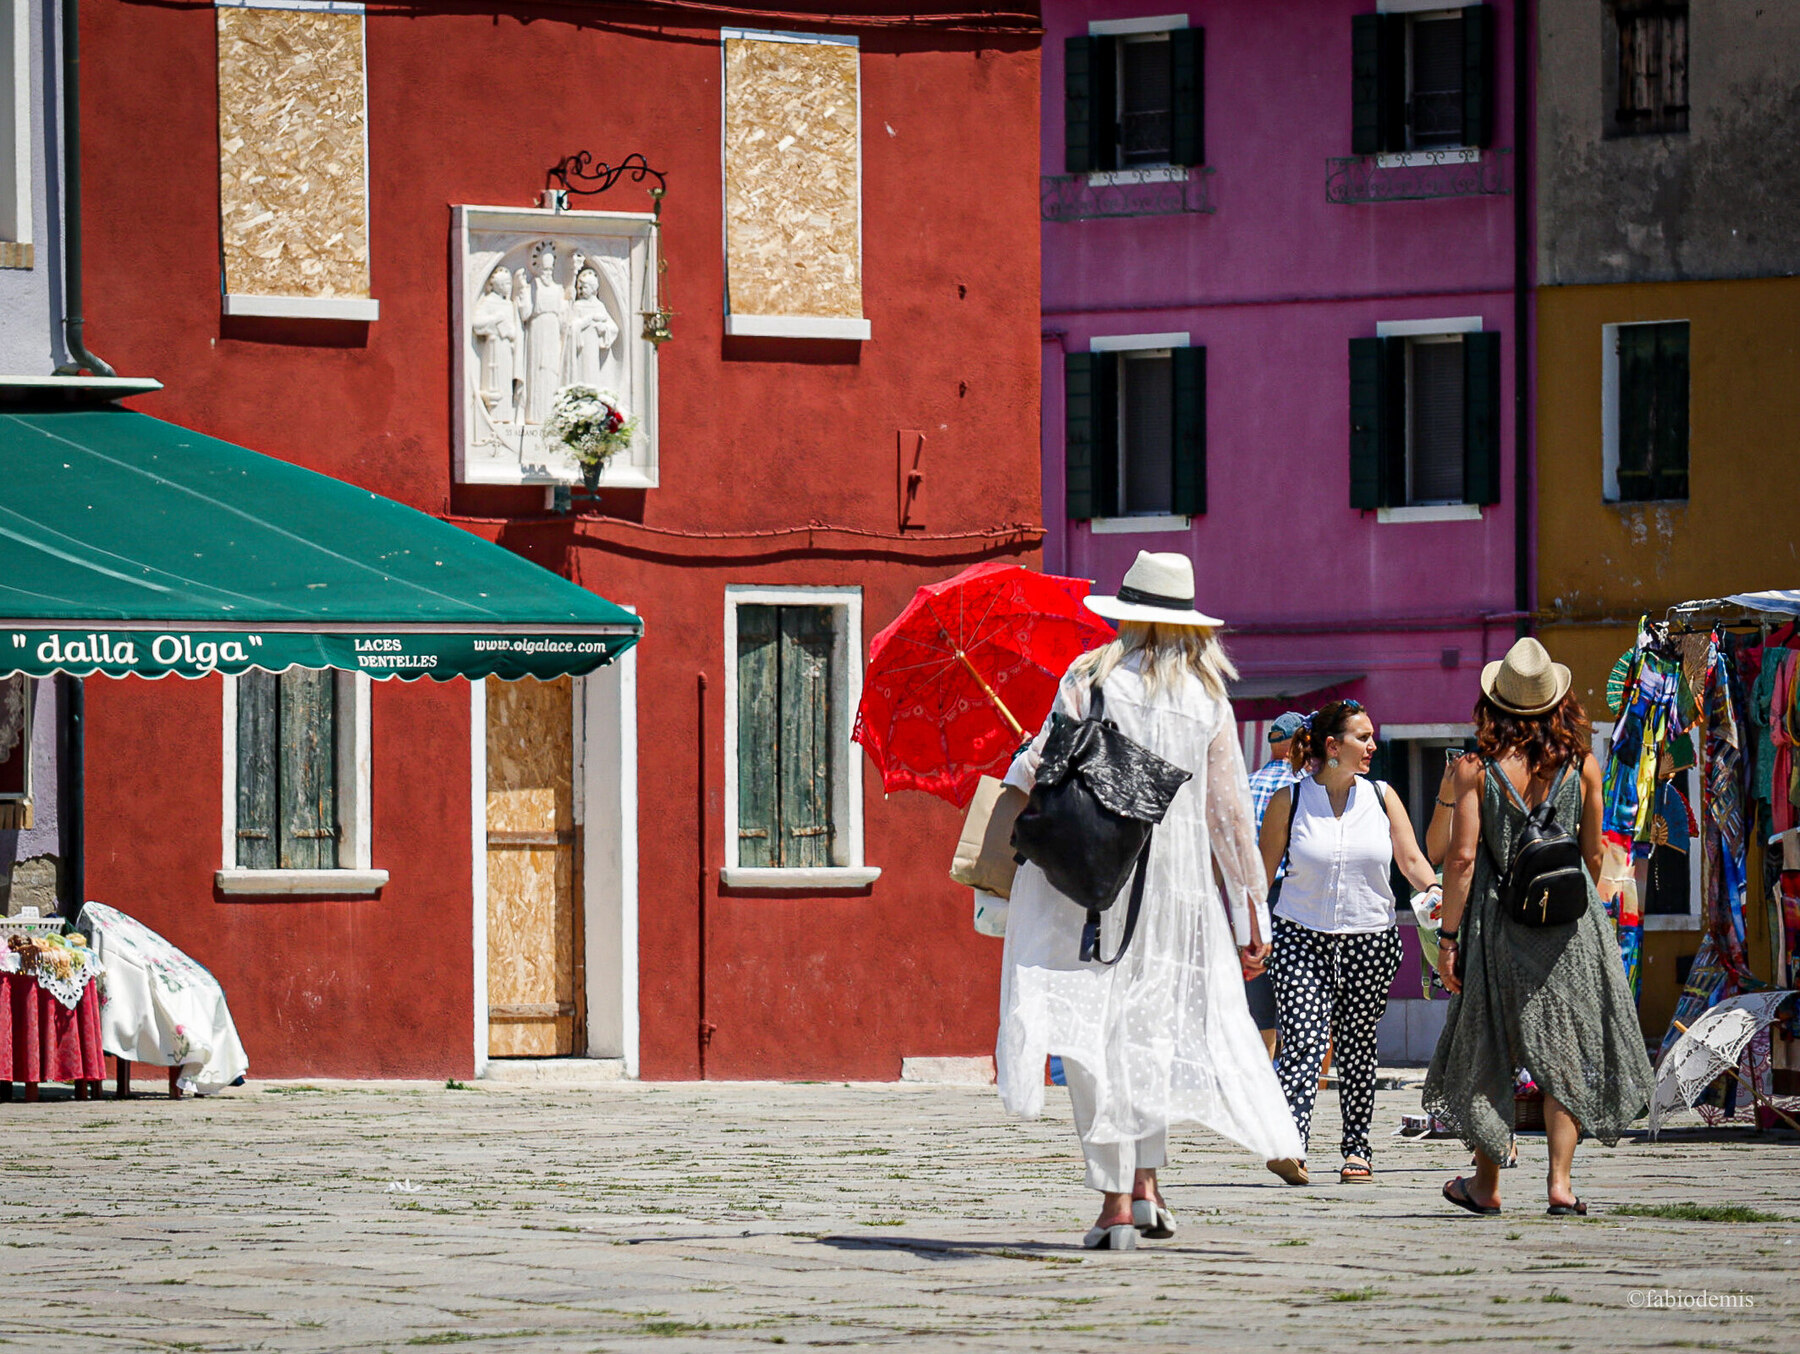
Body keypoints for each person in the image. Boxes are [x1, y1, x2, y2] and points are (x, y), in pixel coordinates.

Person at [996, 551, 1302, 1251]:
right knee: (1150, 1034)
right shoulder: (1207, 698)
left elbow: (1037, 767)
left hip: (1094, 884)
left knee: (1093, 1037)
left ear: (1128, 616)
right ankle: (1147, 1186)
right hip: (1177, 893)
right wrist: (1250, 916)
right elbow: (1228, 816)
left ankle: (1113, 1204)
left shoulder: (1090, 679)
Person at [1424, 637, 1655, 1217]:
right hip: (1569, 930)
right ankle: (1560, 1184)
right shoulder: (1584, 765)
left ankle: (1486, 1186)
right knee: (1565, 1053)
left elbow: (1461, 859)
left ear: (1495, 704)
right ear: (1559, 703)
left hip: (1497, 927)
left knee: (1488, 1047)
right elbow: (1594, 853)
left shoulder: (1474, 768)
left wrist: (1448, 938)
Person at [1258, 700, 1438, 1186]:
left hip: (1369, 940)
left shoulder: (1381, 797)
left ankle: (1357, 1148)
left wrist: (1438, 895)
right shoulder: (1289, 802)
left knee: (1358, 1046)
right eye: (1363, 737)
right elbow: (1261, 877)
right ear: (1333, 747)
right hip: (1300, 937)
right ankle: (1289, 1144)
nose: (1372, 746)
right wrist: (1247, 936)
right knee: (1302, 1041)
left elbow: (1412, 861)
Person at [1244, 711, 1306, 1057]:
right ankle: (1316, 1088)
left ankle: (1264, 1084)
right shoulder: (1306, 787)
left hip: (1255, 902)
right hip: (1298, 898)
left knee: (1261, 1008)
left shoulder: (1246, 785)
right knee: (1308, 1003)